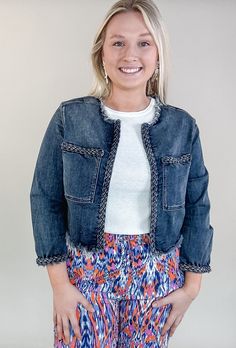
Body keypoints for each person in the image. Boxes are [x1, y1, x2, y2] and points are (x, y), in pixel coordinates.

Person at [29, 0, 214, 347]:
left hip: (156, 274)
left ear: (158, 54)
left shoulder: (181, 127)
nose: (131, 54)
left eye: (144, 42)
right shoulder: (71, 119)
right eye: (118, 42)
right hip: (85, 273)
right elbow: (45, 197)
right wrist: (59, 286)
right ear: (102, 54)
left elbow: (198, 207)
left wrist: (191, 288)